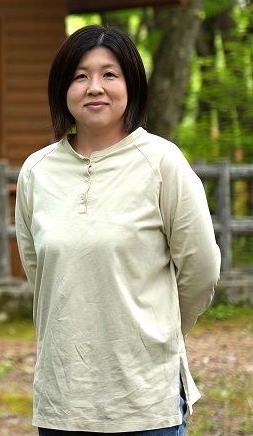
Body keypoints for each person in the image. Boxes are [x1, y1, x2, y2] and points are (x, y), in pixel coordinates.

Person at [15, 24, 221, 435]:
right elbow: (40, 272)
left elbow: (200, 271)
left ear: (131, 85)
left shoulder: (162, 162)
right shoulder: (36, 171)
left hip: (144, 399)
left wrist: (157, 333)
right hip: (63, 398)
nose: (95, 87)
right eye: (80, 76)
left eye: (110, 74)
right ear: (63, 89)